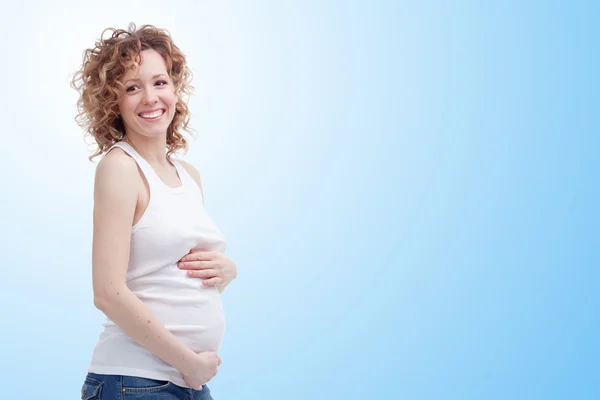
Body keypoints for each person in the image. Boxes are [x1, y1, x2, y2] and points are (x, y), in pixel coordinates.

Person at [71, 23, 237, 400]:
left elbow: (173, 272)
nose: (150, 97)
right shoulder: (119, 168)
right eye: (132, 87)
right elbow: (108, 293)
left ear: (175, 88)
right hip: (135, 381)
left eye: (159, 82)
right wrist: (188, 362)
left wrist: (228, 271)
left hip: (185, 383)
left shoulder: (189, 176)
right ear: (113, 102)